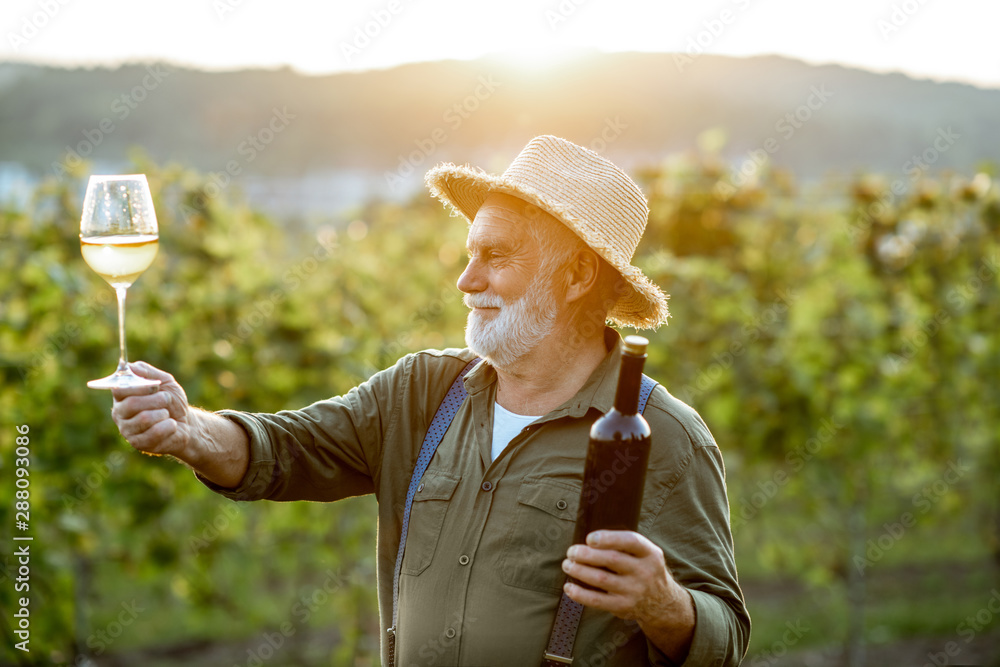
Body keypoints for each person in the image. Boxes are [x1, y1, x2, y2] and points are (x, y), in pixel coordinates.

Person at [111, 135, 750, 666]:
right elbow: (285, 448)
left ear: (578, 276)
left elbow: (726, 640)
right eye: (469, 254)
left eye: (496, 257)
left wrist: (660, 600)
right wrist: (188, 428)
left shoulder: (662, 436)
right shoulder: (422, 392)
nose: (466, 281)